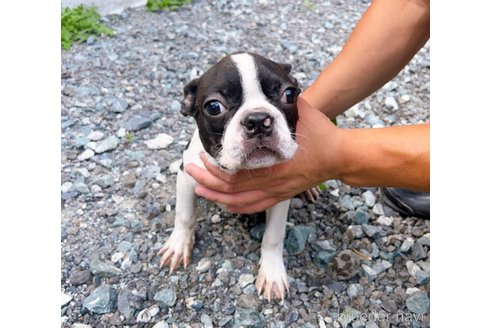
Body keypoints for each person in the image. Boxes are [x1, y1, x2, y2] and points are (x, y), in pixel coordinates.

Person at [184, 0, 430, 217]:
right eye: (215, 107)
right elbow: (415, 3)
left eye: (288, 95)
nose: (261, 122)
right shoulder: (195, 153)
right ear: (190, 105)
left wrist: (336, 154)